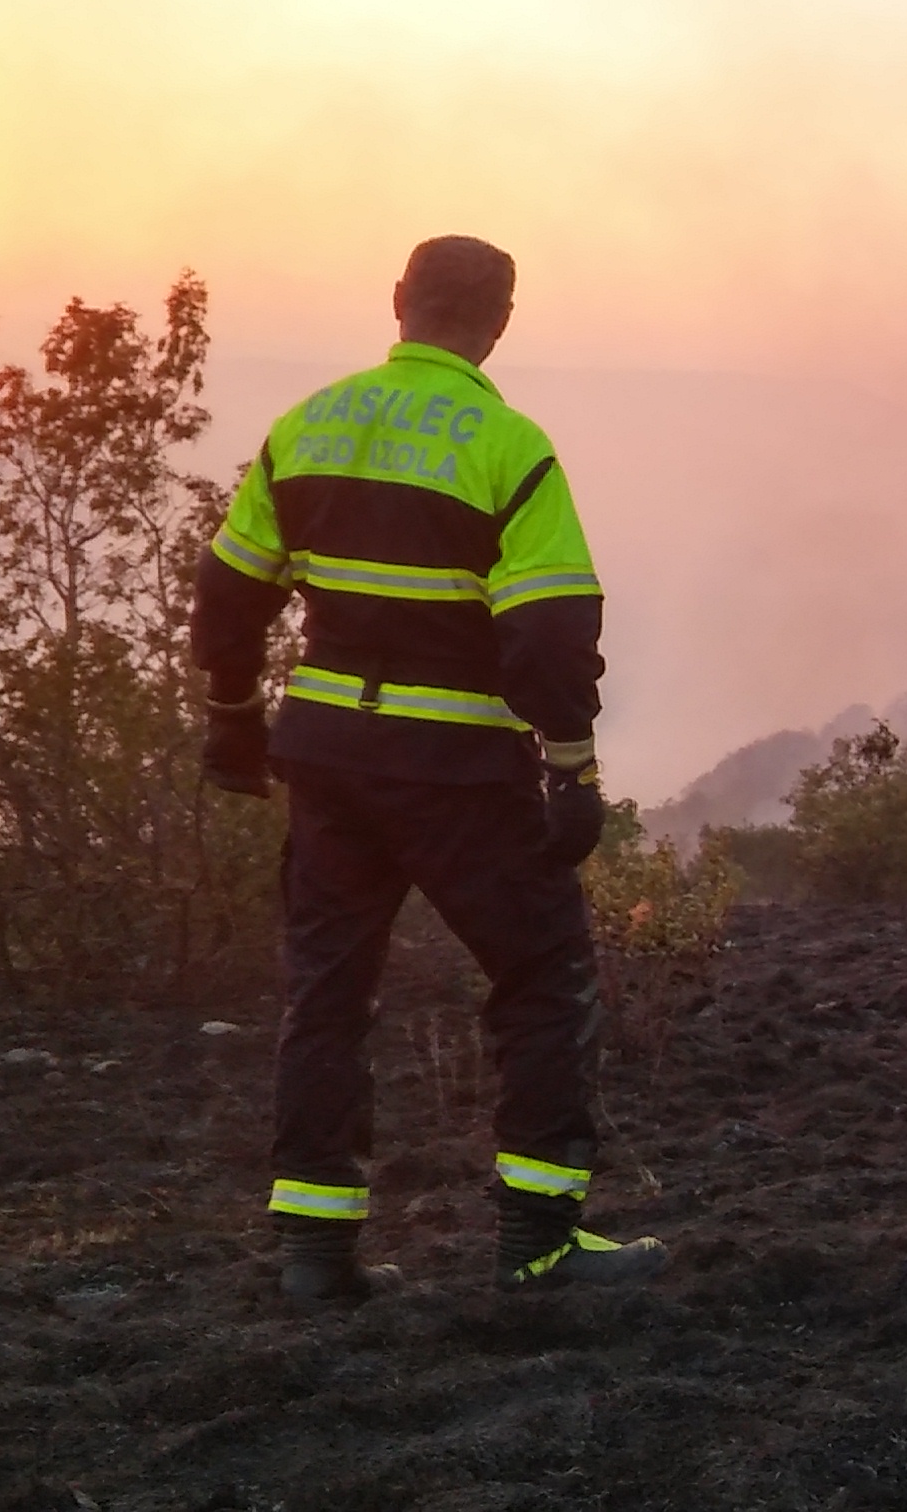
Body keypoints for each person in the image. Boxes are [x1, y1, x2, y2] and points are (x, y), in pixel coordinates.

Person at [189, 234, 668, 1299]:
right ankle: (539, 1246)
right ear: (501, 320)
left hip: (325, 758)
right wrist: (573, 768)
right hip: (458, 770)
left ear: (398, 300)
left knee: (328, 991)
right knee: (542, 977)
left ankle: (316, 1253)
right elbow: (546, 636)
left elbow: (228, 597)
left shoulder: (306, 428)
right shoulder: (509, 446)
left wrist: (230, 717)